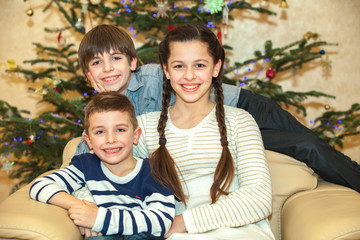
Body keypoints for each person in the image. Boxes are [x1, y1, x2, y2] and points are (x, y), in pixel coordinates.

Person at [75, 24, 360, 193]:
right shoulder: (100, 115)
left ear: (132, 62)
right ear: (88, 75)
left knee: (311, 144)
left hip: (241, 104)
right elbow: (85, 155)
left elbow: (193, 70)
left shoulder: (154, 78)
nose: (109, 69)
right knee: (305, 146)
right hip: (221, 125)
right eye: (97, 63)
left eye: (115, 58)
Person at [133, 23, 274, 239]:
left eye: (199, 65)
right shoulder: (143, 129)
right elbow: (107, 180)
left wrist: (183, 222)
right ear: (166, 70)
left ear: (216, 68)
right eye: (179, 66)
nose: (189, 76)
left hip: (240, 234)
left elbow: (259, 200)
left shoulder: (239, 122)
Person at [29, 92, 175, 239]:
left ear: (135, 136)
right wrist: (82, 209)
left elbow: (161, 221)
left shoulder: (153, 169)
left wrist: (99, 219)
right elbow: (40, 185)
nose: (110, 139)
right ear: (88, 140)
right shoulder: (85, 165)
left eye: (120, 130)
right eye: (100, 132)